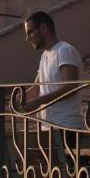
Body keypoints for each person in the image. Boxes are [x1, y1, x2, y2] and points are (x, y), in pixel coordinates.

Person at [21, 10, 83, 168]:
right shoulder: (45, 56)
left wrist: (39, 101)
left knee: (67, 171)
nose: (27, 39)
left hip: (66, 126)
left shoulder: (65, 51)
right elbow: (37, 87)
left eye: (30, 33)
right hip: (49, 125)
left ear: (43, 28)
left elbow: (70, 87)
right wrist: (18, 100)